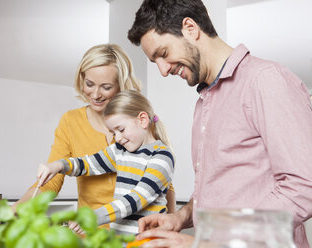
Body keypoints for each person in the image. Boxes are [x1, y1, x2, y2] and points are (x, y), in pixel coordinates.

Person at [127, 0, 312, 247]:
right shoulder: (205, 101)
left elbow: (303, 188)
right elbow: (215, 189)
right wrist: (181, 216)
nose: (163, 70)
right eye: (155, 62)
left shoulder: (266, 81)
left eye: (163, 54)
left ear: (190, 28)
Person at [0, 43, 177, 226]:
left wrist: (171, 226)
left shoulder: (137, 128)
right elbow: (53, 180)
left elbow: (162, 188)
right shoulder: (71, 122)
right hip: (91, 234)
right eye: (90, 84)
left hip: (139, 235)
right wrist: (15, 209)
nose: (96, 94)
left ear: (121, 85)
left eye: (106, 87)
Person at [36, 90, 175, 235]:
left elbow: (137, 199)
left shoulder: (162, 156)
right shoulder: (119, 151)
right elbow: (87, 164)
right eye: (113, 133)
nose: (118, 138)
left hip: (149, 239)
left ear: (143, 120)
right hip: (118, 239)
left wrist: (93, 217)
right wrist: (58, 165)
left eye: (121, 129)